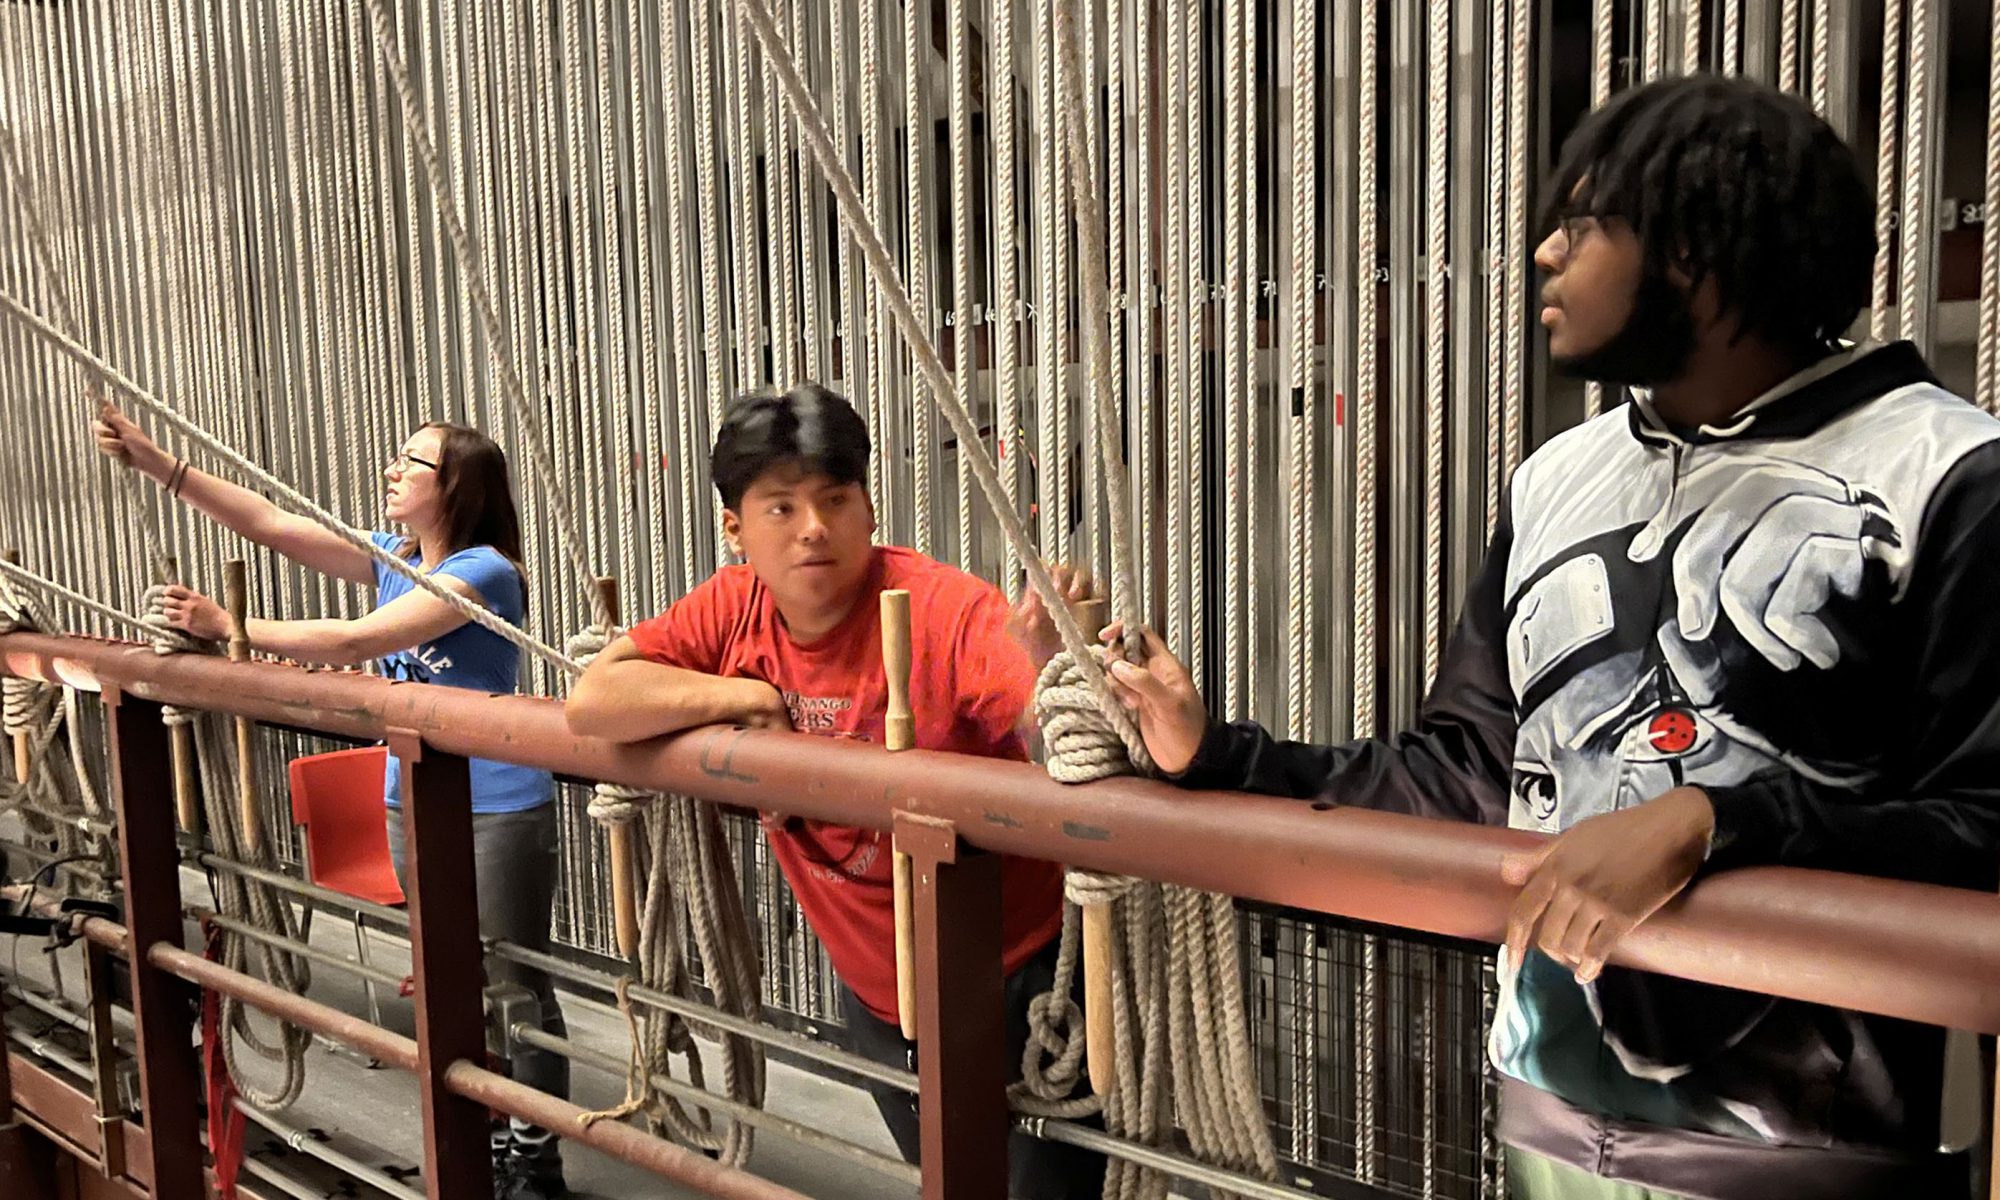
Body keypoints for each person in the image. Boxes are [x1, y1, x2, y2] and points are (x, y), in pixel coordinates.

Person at [1098, 76, 2000, 1200]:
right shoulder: (1558, 478)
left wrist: (1715, 819)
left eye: (1580, 225)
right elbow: (1472, 772)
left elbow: (1982, 821)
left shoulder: (1949, 476)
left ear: (1694, 246)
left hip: (1811, 1147)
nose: (1541, 253)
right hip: (1542, 1107)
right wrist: (1216, 756)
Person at [565, 383, 1104, 1198]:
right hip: (875, 990)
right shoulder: (732, 608)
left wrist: (1062, 670)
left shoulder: (943, 609)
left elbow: (1056, 742)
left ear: (868, 509)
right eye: (780, 508)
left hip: (1021, 979)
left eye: (834, 499)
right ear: (735, 530)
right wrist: (740, 697)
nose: (813, 527)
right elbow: (594, 701)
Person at [95, 405, 572, 1200]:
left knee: (515, 987)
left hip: (496, 807)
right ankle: (480, 1130)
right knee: (449, 978)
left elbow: (360, 642)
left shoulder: (485, 571)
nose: (392, 470)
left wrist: (232, 625)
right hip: (409, 796)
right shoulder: (396, 555)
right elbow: (273, 522)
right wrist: (157, 464)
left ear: (455, 485)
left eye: (411, 462)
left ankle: (536, 1158)